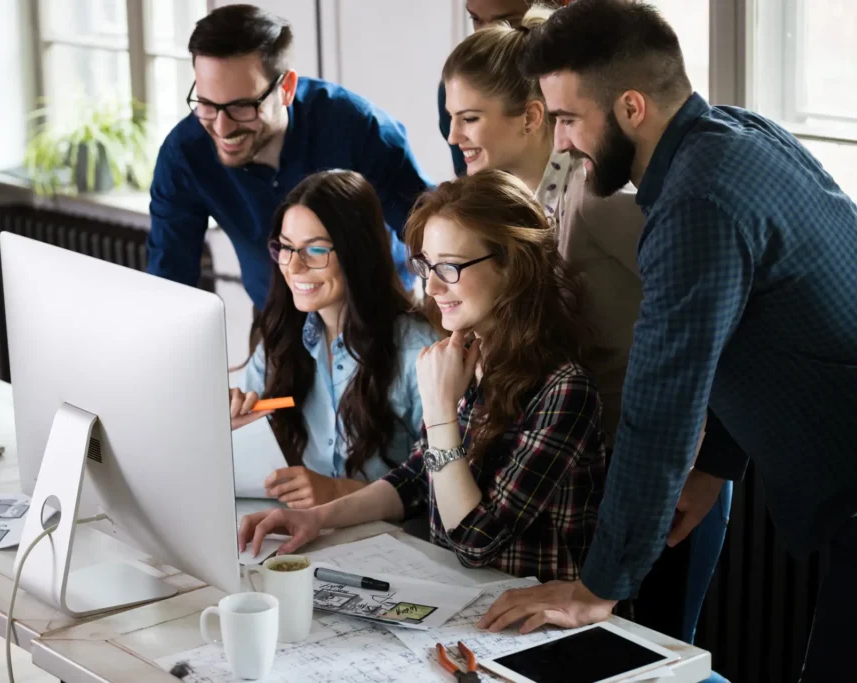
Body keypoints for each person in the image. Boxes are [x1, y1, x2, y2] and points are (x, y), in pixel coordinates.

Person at [481, 2, 857, 681]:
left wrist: (597, 587)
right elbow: (746, 328)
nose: (561, 145)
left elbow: (661, 402)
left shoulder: (696, 201)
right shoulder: (738, 135)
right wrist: (713, 461)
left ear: (629, 107)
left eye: (568, 119)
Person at [440, 14, 734, 651]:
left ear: (532, 115)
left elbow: (721, 316)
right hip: (595, 472)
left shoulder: (604, 198)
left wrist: (707, 465)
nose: (454, 134)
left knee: (652, 655)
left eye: (470, 116)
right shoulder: (520, 205)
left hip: (664, 478)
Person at [239, 170, 607, 582]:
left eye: (448, 268)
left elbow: (473, 541)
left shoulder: (564, 389)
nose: (430, 287)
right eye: (425, 266)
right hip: (459, 598)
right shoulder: (467, 356)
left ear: (512, 265)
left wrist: (440, 412)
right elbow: (415, 479)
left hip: (527, 620)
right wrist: (315, 519)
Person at [148, 4, 432, 310]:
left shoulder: (359, 128)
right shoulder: (184, 155)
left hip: (378, 313)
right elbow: (170, 280)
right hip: (276, 321)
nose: (221, 126)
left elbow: (429, 237)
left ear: (286, 88)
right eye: (206, 104)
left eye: (241, 106)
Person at [229, 170, 439, 508]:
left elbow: (443, 488)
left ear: (358, 253)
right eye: (285, 248)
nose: (294, 267)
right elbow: (253, 446)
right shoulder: (280, 339)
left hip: (392, 544)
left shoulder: (419, 352)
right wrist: (234, 428)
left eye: (314, 249)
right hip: (308, 531)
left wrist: (337, 492)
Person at [438, 0, 533, 177]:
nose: (452, 138)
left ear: (531, 117)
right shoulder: (452, 90)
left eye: (470, 118)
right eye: (475, 18)